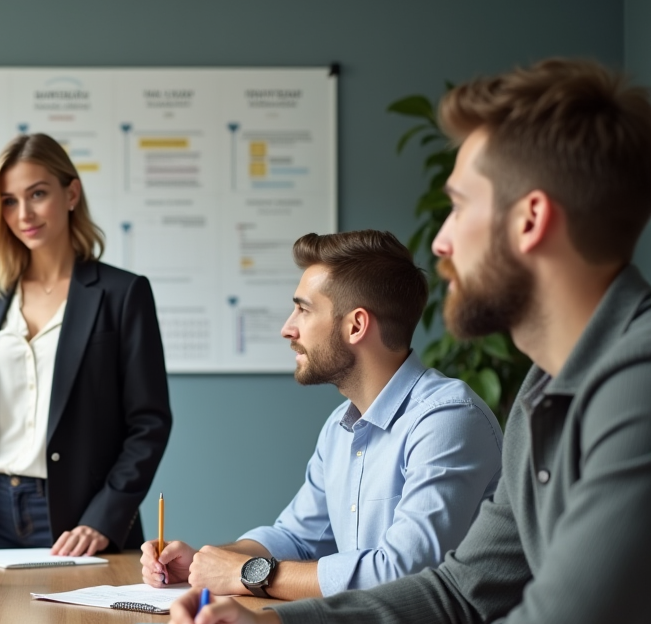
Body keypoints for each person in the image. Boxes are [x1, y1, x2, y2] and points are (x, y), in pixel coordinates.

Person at [164, 58, 651, 624]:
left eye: (458, 205)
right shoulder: (545, 394)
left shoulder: (635, 385)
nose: (443, 241)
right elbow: (459, 595)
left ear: (531, 219)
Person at [141, 230, 503, 600]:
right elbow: (296, 538)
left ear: (356, 326)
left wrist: (245, 573)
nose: (288, 328)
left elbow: (401, 574)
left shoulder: (448, 419)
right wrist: (207, 561)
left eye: (303, 309)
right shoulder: (339, 429)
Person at [0, 134, 172, 556]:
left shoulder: (122, 293)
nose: (23, 214)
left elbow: (149, 423)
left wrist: (106, 515)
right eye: (8, 201)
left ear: (71, 192)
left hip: (78, 518)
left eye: (37, 194)